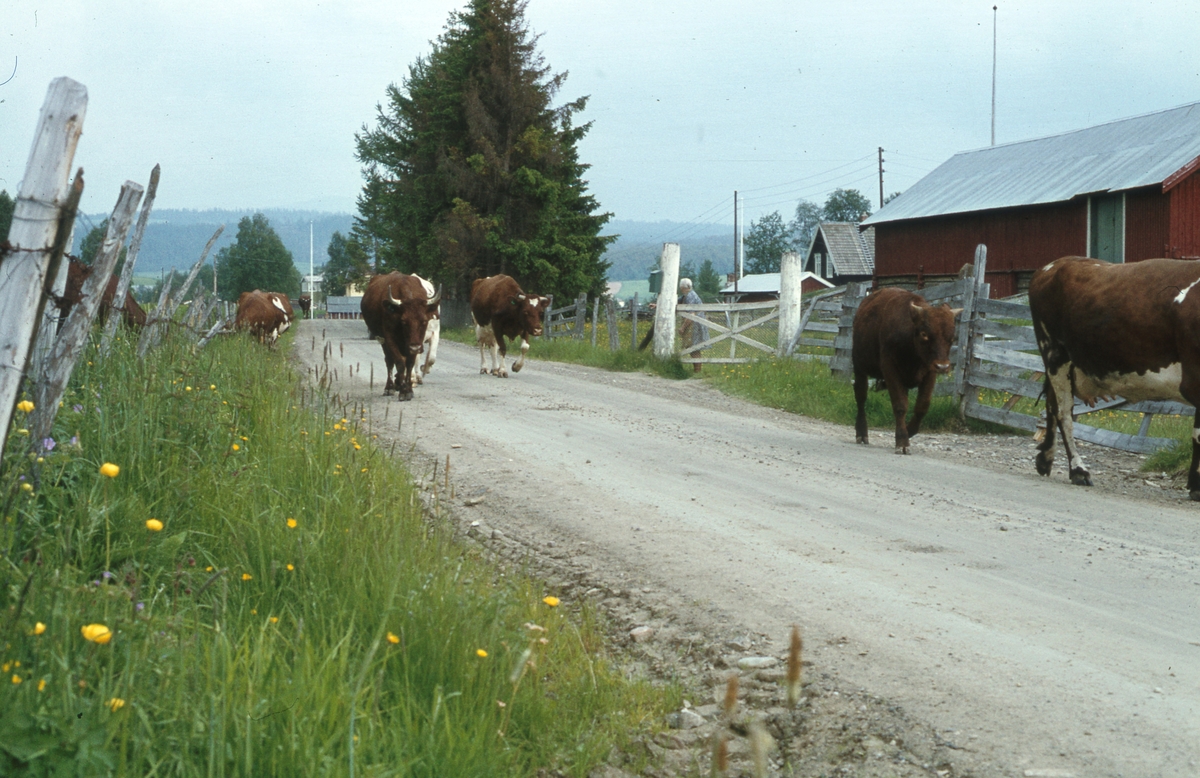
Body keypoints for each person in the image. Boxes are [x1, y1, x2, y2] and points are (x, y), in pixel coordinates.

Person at [678, 278, 707, 373]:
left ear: (682, 287)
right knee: (693, 348)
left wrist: (683, 328)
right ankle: (697, 370)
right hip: (696, 324)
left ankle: (697, 371)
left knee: (694, 347)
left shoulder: (690, 297)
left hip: (695, 325)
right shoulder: (687, 296)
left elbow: (691, 315)